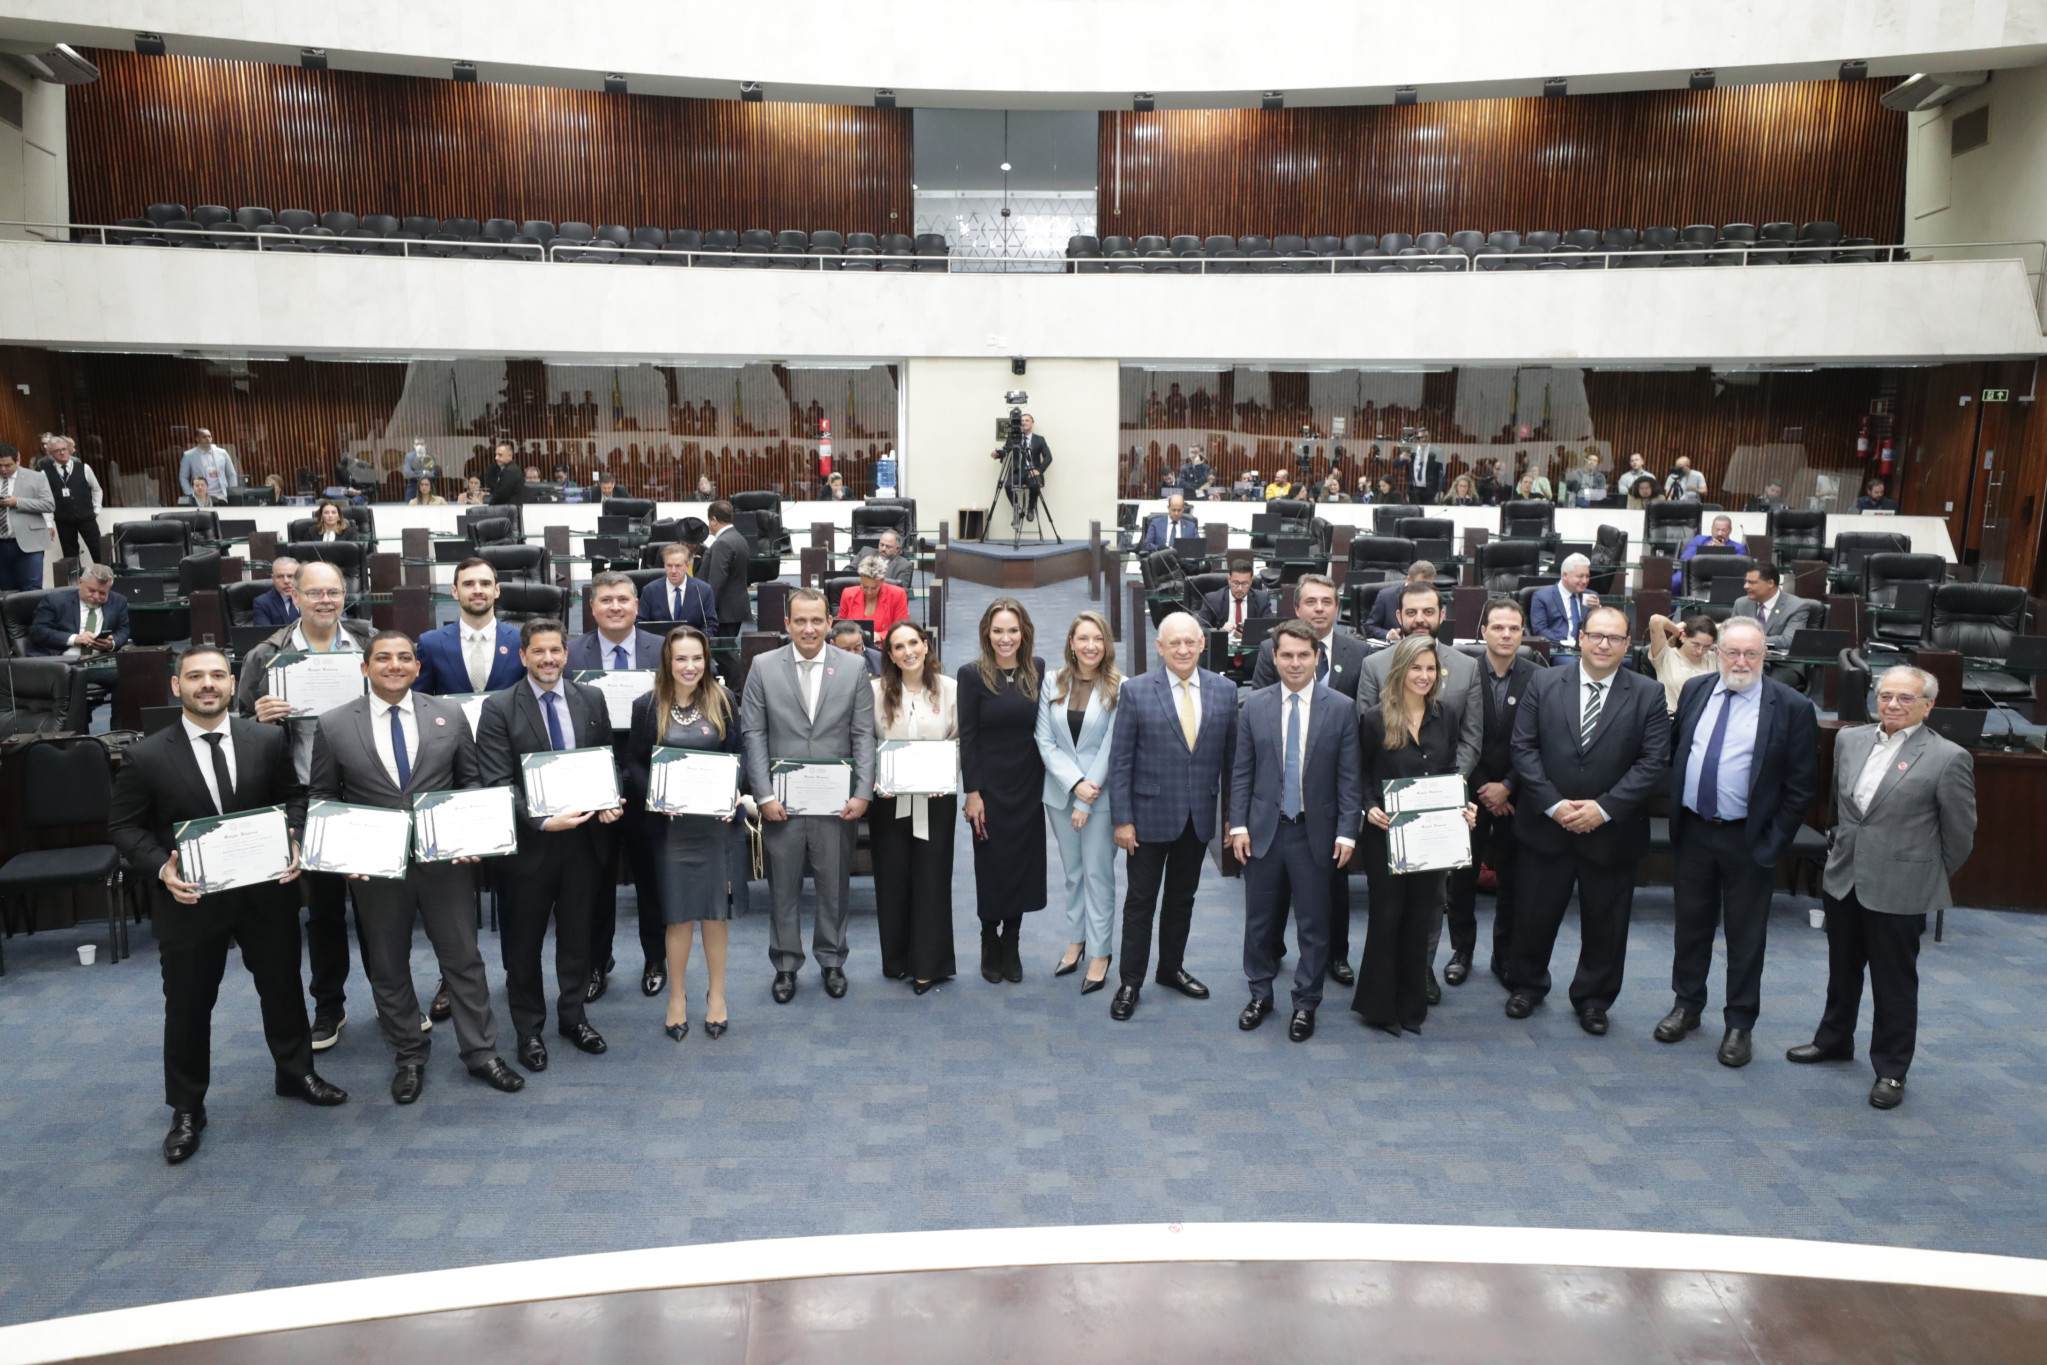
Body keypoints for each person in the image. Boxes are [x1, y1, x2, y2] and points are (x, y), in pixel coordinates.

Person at [109, 645, 345, 1164]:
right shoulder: (147, 755)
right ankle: (188, 1107)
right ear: (178, 687)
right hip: (190, 899)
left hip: (266, 891)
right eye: (196, 677)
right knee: (190, 1006)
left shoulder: (265, 739)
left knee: (282, 988)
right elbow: (124, 827)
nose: (207, 684)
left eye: (217, 675)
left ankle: (296, 1072)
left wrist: (296, 839)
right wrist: (160, 868)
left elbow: (294, 799)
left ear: (233, 681)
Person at [308, 631, 524, 1102]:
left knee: (464, 959)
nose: (395, 665)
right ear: (365, 668)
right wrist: (339, 854)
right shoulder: (334, 724)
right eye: (383, 658)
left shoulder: (447, 714)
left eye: (404, 657)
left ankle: (482, 1052)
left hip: (444, 863)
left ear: (416, 667)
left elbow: (470, 782)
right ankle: (408, 1054)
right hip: (376, 870)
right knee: (388, 965)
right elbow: (322, 798)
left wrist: (472, 833)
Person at [1792, 666, 1974, 1110]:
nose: (1892, 704)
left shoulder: (1948, 757)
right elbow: (1844, 809)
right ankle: (1834, 1039)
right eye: (1886, 695)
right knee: (1843, 970)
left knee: (1894, 983)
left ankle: (1892, 1070)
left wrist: (1924, 875)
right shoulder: (1850, 740)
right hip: (1845, 877)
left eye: (1905, 698)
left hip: (1902, 887)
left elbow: (1961, 835)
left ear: (1929, 705)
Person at [1656, 617, 1818, 1068]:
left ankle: (1739, 1023)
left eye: (1751, 653)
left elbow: (1801, 787)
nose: (1741, 661)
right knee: (1691, 926)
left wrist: (1773, 841)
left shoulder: (1791, 707)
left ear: (1765, 655)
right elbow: (1678, 752)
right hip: (1693, 831)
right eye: (1732, 652)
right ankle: (1686, 1006)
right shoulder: (1696, 691)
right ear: (1717, 653)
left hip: (1749, 839)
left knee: (1746, 939)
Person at [1504, 605, 1671, 1033]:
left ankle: (1594, 999)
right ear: (1580, 637)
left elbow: (1653, 762)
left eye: (1614, 638)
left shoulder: (1648, 693)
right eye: (1596, 635)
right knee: (1533, 915)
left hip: (1611, 832)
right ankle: (1526, 984)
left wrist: (1604, 809)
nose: (1603, 644)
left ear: (1627, 644)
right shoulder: (1542, 682)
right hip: (1546, 826)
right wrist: (1554, 805)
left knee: (1606, 925)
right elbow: (1523, 748)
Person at [237, 559, 371, 1051]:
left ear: (345, 595)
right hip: (305, 800)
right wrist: (259, 720)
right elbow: (237, 731)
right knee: (325, 913)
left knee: (380, 907)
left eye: (333, 592)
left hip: (366, 795)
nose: (324, 601)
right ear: (294, 596)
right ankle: (329, 1007)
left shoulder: (368, 643)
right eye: (314, 593)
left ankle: (391, 996)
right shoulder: (266, 656)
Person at [475, 618, 620, 1070]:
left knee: (577, 937)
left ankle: (573, 1017)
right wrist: (540, 821)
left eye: (556, 650)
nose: (548, 659)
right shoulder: (499, 708)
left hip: (583, 844)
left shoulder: (590, 698)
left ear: (565, 653)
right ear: (523, 656)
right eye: (538, 652)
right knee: (524, 944)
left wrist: (609, 801)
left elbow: (603, 760)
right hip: (530, 848)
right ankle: (529, 1030)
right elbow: (497, 783)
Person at [740, 586, 875, 1003]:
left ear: (830, 623)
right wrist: (762, 795)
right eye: (800, 620)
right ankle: (785, 964)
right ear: (787, 625)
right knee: (783, 888)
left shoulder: (853, 668)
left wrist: (863, 791)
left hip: (837, 804)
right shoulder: (763, 667)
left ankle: (832, 960)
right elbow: (754, 734)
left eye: (817, 620)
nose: (809, 628)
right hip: (782, 803)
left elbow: (863, 734)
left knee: (834, 885)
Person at [1231, 620, 1362, 1043]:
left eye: (1303, 655)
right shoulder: (1254, 705)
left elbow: (1349, 779)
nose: (1294, 662)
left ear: (1317, 657)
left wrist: (1347, 832)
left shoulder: (1341, 707)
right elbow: (1241, 774)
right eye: (1286, 655)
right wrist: (1237, 825)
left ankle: (1306, 1003)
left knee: (1313, 925)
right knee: (1260, 923)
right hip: (1264, 832)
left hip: (1315, 835)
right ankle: (1260, 994)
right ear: (1273, 657)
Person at [1355, 581, 1486, 996]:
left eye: (1428, 611)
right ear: (1399, 617)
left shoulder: (1466, 667)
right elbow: (1366, 745)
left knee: (1431, 902)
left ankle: (1421, 970)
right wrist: (1376, 801)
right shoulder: (1374, 665)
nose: (1420, 619)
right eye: (1411, 612)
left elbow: (1469, 739)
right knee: (1390, 905)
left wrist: (1447, 796)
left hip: (1440, 810)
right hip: (1390, 812)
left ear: (1441, 615)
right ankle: (1388, 978)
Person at [1105, 612, 1237, 1021]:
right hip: (1146, 819)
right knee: (1140, 902)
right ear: (1160, 647)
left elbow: (1232, 764)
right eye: (1173, 643)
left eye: (1190, 642)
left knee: (1182, 899)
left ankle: (1171, 968)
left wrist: (1233, 818)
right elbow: (1121, 760)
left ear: (1202, 644)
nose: (1182, 650)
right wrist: (1122, 820)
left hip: (1198, 819)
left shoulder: (1225, 690)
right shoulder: (1138, 691)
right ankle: (1130, 981)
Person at [625, 625, 746, 1041]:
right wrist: (658, 797)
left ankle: (717, 996)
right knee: (676, 917)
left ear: (707, 660)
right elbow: (635, 765)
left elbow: (738, 756)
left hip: (713, 828)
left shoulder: (724, 700)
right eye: (681, 658)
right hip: (670, 831)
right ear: (667, 662)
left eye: (697, 658)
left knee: (714, 913)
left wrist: (733, 792)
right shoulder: (646, 706)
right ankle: (677, 998)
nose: (690, 666)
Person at [569, 571, 667, 1001]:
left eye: (622, 599)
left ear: (636, 606)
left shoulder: (663, 651)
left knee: (652, 877)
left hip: (651, 780)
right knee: (595, 879)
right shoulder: (570, 655)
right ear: (591, 607)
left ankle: (655, 957)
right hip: (592, 783)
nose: (614, 607)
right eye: (605, 600)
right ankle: (596, 962)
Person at [1445, 598, 1537, 986]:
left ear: (1522, 633)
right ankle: (1461, 951)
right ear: (1483, 631)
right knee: (1461, 879)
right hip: (1470, 791)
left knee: (1514, 880)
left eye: (1513, 628)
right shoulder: (1462, 671)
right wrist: (1486, 786)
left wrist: (1508, 786)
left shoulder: (1538, 675)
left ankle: (1504, 956)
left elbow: (1542, 738)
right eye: (1498, 627)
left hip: (1519, 794)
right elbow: (1454, 734)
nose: (1505, 634)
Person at [958, 598, 1048, 984]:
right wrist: (973, 791)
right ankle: (988, 938)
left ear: (1023, 633)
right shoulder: (972, 674)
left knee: (1022, 866)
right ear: (986, 633)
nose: (1005, 638)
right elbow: (969, 737)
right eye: (998, 631)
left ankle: (1011, 941)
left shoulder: (1038, 670)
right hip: (989, 789)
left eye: (1013, 630)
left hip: (1027, 786)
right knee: (992, 866)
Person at [870, 619, 959, 992]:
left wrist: (946, 776)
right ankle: (897, 960)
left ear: (925, 645)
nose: (908, 652)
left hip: (936, 802)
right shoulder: (874, 691)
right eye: (898, 647)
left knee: (931, 880)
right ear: (889, 655)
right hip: (888, 802)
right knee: (892, 880)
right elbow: (866, 741)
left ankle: (928, 964)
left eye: (913, 643)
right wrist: (877, 777)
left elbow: (958, 740)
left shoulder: (950, 689)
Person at [1036, 611, 1120, 995]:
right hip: (1058, 794)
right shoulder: (1053, 680)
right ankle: (1076, 940)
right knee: (1073, 874)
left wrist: (1087, 793)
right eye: (1082, 638)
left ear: (1107, 644)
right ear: (1071, 642)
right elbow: (1045, 741)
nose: (1090, 646)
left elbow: (1110, 746)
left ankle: (1101, 952)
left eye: (1097, 639)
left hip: (1099, 798)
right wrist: (1073, 785)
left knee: (1098, 875)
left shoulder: (1120, 685)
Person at [413, 558, 526, 695]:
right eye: (468, 584)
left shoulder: (520, 640)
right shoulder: (430, 644)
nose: (477, 590)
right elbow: (421, 701)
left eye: (485, 584)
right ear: (455, 592)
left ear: (496, 590)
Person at [1249, 573, 1368, 698]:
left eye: (1326, 602)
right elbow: (1261, 704)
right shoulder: (1270, 649)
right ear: (1297, 609)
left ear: (1336, 609)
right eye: (1311, 602)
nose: (1319, 608)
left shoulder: (1359, 652)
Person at [1731, 563, 1825, 686]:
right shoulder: (1741, 603)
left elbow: (1788, 640)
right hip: (1744, 662)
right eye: (1746, 581)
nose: (1745, 586)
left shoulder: (1796, 606)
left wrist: (1750, 642)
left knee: (1765, 686)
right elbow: (1731, 636)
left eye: (1752, 582)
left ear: (1770, 583)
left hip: (1782, 665)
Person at [28, 563, 128, 661]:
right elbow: (38, 631)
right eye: (91, 590)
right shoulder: (55, 601)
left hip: (99, 660)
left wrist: (111, 643)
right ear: (80, 582)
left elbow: (123, 631)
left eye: (102, 593)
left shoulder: (118, 602)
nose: (96, 596)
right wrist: (75, 639)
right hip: (62, 661)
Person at [40, 436, 104, 564]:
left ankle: (105, 579)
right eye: (57, 451)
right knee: (70, 556)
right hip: (64, 520)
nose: (62, 453)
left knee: (98, 550)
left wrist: (96, 508)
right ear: (50, 454)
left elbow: (96, 489)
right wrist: (48, 524)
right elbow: (45, 500)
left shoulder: (83, 468)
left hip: (87, 517)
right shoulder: (45, 473)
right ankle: (75, 582)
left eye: (64, 449)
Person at [0, 443, 54, 592]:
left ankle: (32, 616)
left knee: (32, 590)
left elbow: (49, 504)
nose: (3, 469)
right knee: (6, 591)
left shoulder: (36, 477)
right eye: (0, 466)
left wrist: (18, 502)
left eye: (8, 465)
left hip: (30, 543)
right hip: (2, 544)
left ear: (18, 460)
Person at [638, 542, 718, 634]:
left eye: (678, 566)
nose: (673, 571)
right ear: (664, 565)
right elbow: (641, 624)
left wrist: (697, 642)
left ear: (687, 566)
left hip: (692, 645)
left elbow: (710, 624)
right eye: (669, 566)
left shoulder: (703, 590)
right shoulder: (650, 590)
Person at [699, 499, 753, 637]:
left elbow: (716, 581)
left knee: (723, 653)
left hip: (723, 612)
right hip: (734, 609)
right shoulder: (739, 538)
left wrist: (707, 610)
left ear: (714, 520)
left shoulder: (722, 542)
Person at [1647, 612, 1719, 713]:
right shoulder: (1666, 656)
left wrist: (1711, 627)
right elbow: (1656, 620)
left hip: (1704, 720)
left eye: (1706, 647)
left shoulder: (1713, 658)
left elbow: (1741, 627)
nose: (1700, 651)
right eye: (1695, 644)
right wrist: (1676, 630)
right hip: (1672, 720)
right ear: (1684, 636)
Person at [989, 412, 1053, 522]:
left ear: (1032, 423)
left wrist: (1039, 470)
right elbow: (1005, 451)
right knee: (1008, 486)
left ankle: (1031, 508)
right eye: (1021, 421)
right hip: (1017, 471)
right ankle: (1018, 510)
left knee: (1035, 484)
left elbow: (1048, 457)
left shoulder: (1040, 439)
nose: (1024, 422)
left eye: (1027, 420)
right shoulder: (1014, 438)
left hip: (1032, 472)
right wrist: (995, 454)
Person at [1529, 552, 1599, 644]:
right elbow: (1540, 631)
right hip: (1560, 647)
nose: (1585, 581)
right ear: (1565, 575)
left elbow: (1601, 627)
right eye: (1580, 576)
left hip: (1587, 646)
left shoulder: (1591, 596)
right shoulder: (1542, 597)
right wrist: (1566, 643)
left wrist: (1597, 609)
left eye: (1587, 576)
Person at [1197, 558, 1270, 646]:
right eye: (1235, 583)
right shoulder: (1213, 599)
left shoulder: (1262, 598)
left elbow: (1270, 630)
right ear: (1229, 580)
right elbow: (1200, 628)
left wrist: (1248, 636)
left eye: (1244, 583)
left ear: (1251, 582)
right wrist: (1220, 632)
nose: (1239, 588)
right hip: (1221, 650)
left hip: (1251, 653)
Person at [1361, 561, 1436, 642]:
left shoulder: (1433, 597)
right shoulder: (1386, 596)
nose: (1424, 589)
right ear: (1409, 580)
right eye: (1420, 585)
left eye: (1429, 585)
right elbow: (1369, 627)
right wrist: (1387, 635)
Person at [837, 554, 909, 639]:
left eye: (874, 588)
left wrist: (880, 636)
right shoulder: (848, 594)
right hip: (853, 648)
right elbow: (839, 628)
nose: (869, 592)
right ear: (861, 578)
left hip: (884, 648)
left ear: (882, 581)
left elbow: (902, 629)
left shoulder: (897, 594)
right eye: (865, 587)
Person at [1674, 514, 1746, 592]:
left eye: (1724, 530)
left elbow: (1738, 567)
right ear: (1711, 529)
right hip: (1695, 573)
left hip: (1723, 575)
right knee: (1675, 581)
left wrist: (1724, 551)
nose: (1720, 534)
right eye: (1716, 530)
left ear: (1730, 530)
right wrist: (1706, 550)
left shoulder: (1739, 547)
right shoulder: (1699, 540)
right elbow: (1685, 558)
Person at [178, 428, 239, 503]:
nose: (208, 439)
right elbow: (183, 477)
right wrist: (190, 493)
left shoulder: (222, 453)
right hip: (201, 496)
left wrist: (232, 492)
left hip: (222, 495)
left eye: (209, 436)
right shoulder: (189, 455)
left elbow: (231, 473)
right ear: (197, 439)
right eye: (204, 437)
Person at [252, 557, 301, 626]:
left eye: (290, 576)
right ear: (273, 579)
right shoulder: (262, 603)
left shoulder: (310, 598)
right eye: (280, 576)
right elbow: (263, 634)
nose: (286, 581)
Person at [1404, 431, 1443, 503]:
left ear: (1430, 437)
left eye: (1426, 437)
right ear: (1417, 439)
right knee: (1415, 513)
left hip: (1430, 491)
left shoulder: (1437, 451)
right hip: (1414, 490)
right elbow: (1398, 465)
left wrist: (1441, 490)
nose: (1424, 439)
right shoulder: (1412, 451)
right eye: (1421, 437)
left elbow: (1442, 472)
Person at [488, 439, 524, 505]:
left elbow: (501, 495)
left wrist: (490, 507)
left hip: (507, 511)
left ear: (509, 456)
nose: (496, 458)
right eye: (496, 455)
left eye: (500, 455)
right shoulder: (512, 468)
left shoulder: (510, 471)